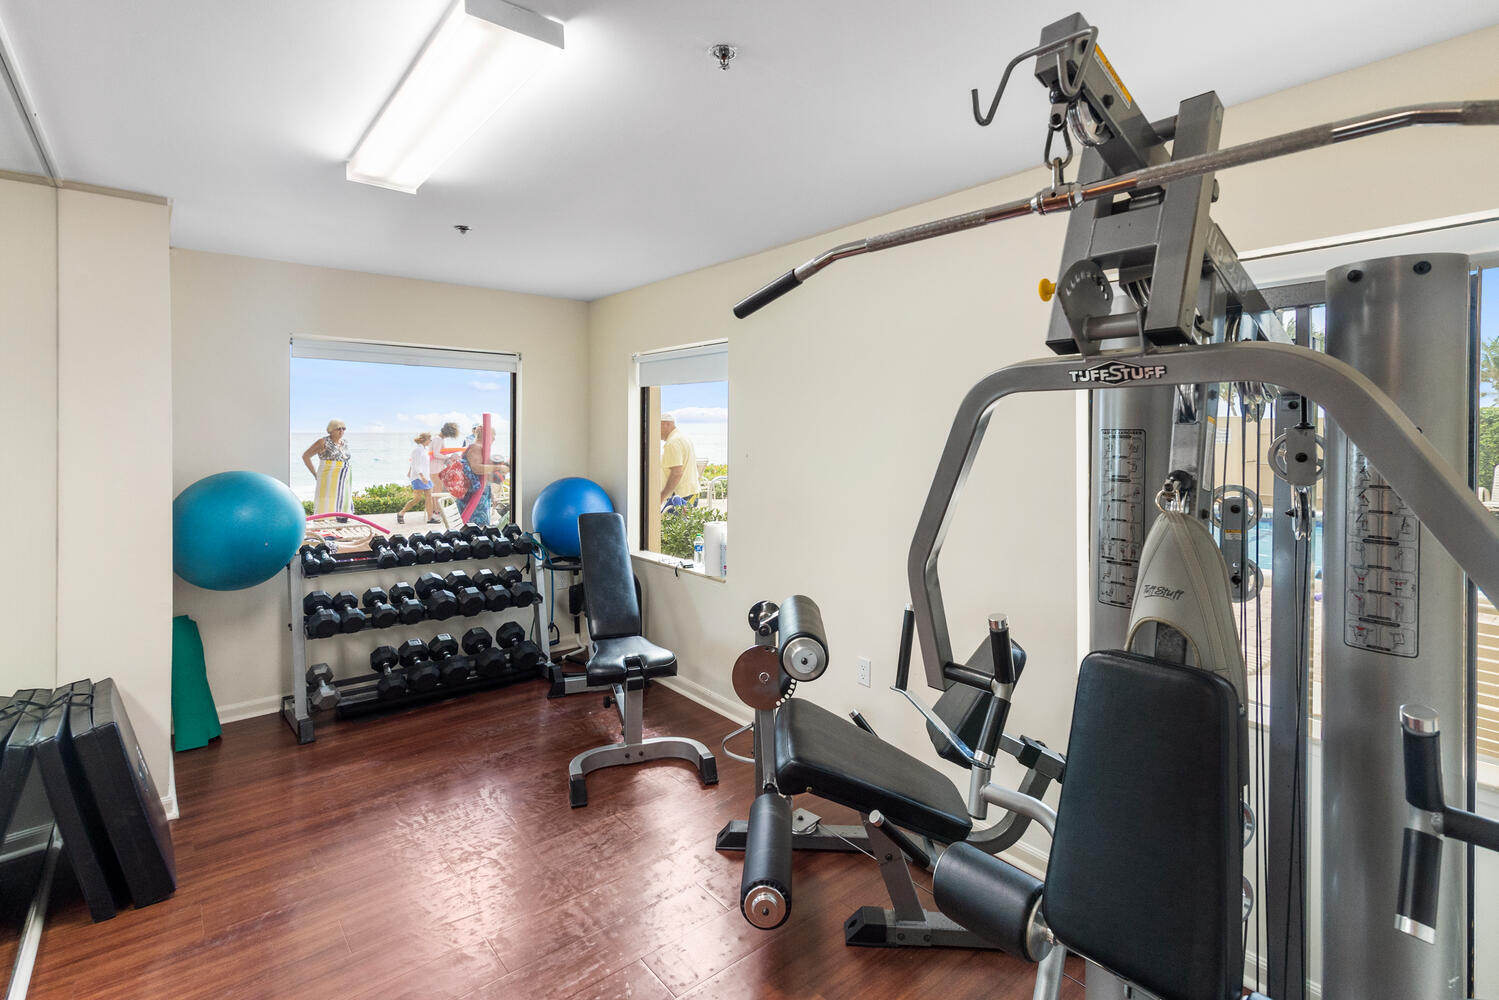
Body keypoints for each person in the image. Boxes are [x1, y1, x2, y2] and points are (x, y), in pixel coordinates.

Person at [302, 419, 351, 517]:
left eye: (343, 428)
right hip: (328, 476)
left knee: (342, 500)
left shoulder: (344, 442)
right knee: (325, 500)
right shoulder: (323, 442)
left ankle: (340, 522)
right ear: (331, 430)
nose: (341, 431)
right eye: (338, 429)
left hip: (343, 477)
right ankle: (323, 523)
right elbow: (306, 456)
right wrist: (315, 474)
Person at [459, 432, 508, 528]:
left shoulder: (479, 448)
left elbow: (482, 475)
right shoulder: (476, 447)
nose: (494, 439)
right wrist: (498, 467)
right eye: (493, 435)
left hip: (479, 495)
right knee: (474, 529)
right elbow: (476, 468)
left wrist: (491, 493)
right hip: (472, 496)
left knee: (479, 529)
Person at [659, 412, 700, 509]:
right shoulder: (684, 438)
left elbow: (676, 473)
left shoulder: (672, 442)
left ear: (666, 424)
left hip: (681, 496)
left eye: (657, 426)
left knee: (671, 523)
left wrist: (661, 496)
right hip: (691, 493)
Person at [397, 432, 436, 524]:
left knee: (429, 497)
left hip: (425, 476)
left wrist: (425, 476)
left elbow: (416, 463)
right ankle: (401, 513)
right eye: (429, 439)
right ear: (425, 440)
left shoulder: (424, 450)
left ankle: (430, 518)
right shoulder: (417, 450)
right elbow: (416, 464)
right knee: (417, 499)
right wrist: (421, 476)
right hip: (419, 477)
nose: (430, 441)